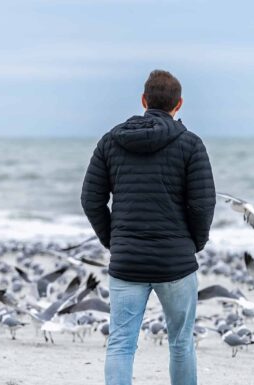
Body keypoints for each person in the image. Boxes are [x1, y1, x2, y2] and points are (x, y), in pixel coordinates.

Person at [81, 69, 216, 385]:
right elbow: (203, 205)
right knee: (181, 343)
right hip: (176, 261)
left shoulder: (110, 141)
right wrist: (193, 244)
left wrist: (114, 240)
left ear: (144, 100)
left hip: (127, 261)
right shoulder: (191, 144)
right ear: (179, 104)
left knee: (121, 343)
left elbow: (91, 200)